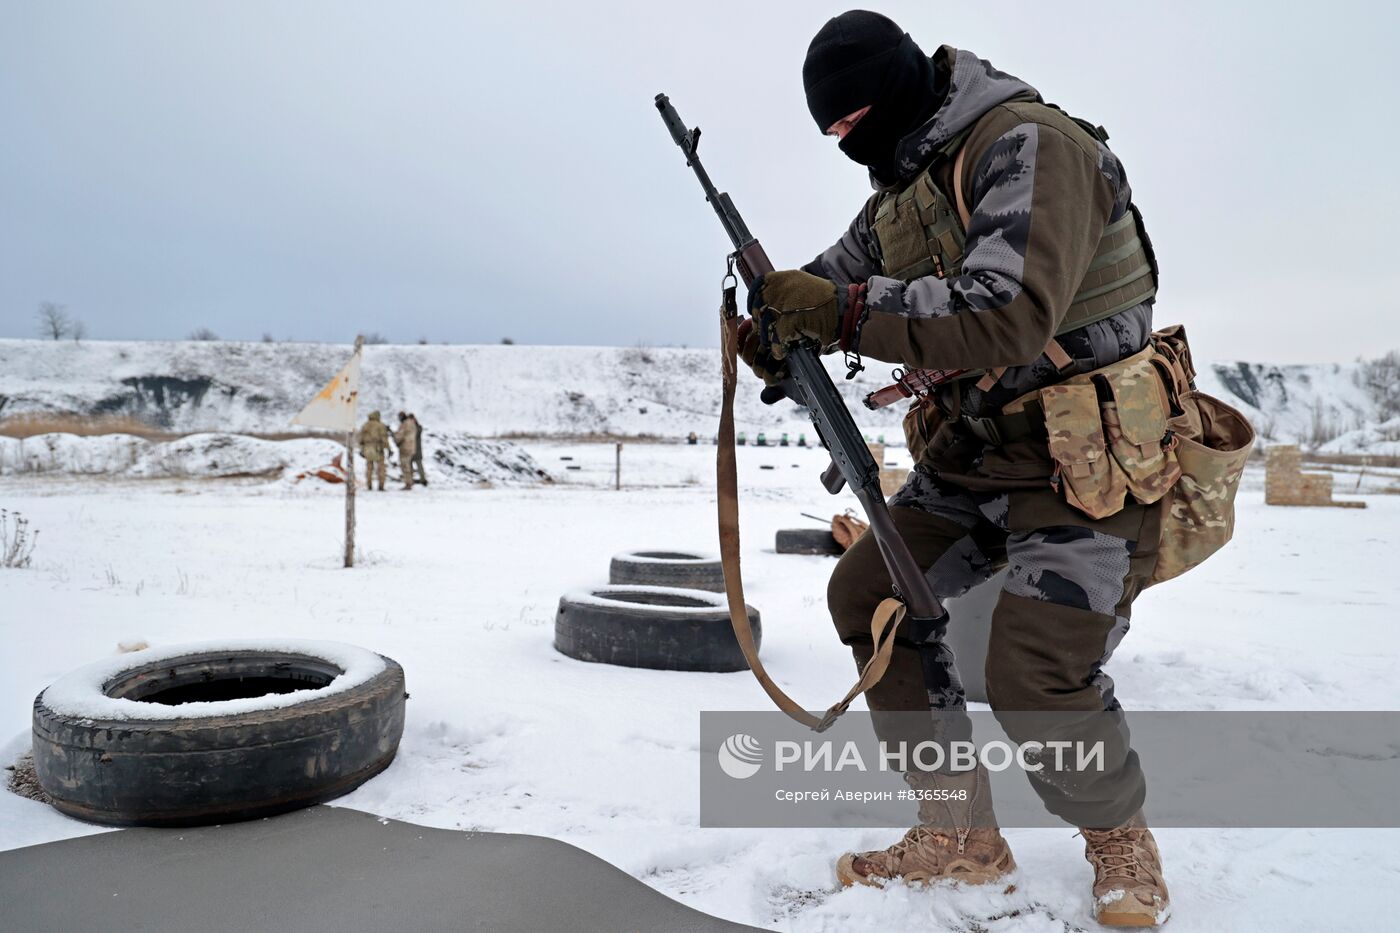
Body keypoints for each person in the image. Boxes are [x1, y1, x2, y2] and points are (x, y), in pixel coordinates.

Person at [740, 11, 1171, 927]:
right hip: (974, 452)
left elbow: (1006, 312)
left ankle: (1119, 838)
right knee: (871, 595)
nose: (846, 147)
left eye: (850, 124)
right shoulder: (903, 188)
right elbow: (831, 279)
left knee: (1034, 671)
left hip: (1080, 458)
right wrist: (777, 329)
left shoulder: (1029, 147)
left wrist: (841, 313)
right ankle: (961, 834)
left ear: (896, 91)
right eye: (831, 137)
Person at [357, 411, 389, 491]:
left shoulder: (365, 425)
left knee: (369, 468)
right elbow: (384, 438)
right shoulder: (380, 425)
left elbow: (360, 438)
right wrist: (388, 448)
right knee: (381, 468)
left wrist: (362, 448)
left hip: (368, 448)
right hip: (378, 448)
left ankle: (369, 485)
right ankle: (381, 486)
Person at [393, 411, 419, 491]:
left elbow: (399, 436)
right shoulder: (412, 423)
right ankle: (410, 481)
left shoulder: (404, 424)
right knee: (408, 465)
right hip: (412, 447)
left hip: (405, 447)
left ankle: (408, 483)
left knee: (405, 466)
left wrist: (394, 437)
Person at [409, 413, 428, 486]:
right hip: (412, 449)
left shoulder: (417, 428)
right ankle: (411, 479)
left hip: (416, 449)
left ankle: (422, 479)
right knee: (411, 465)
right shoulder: (416, 427)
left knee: (419, 465)